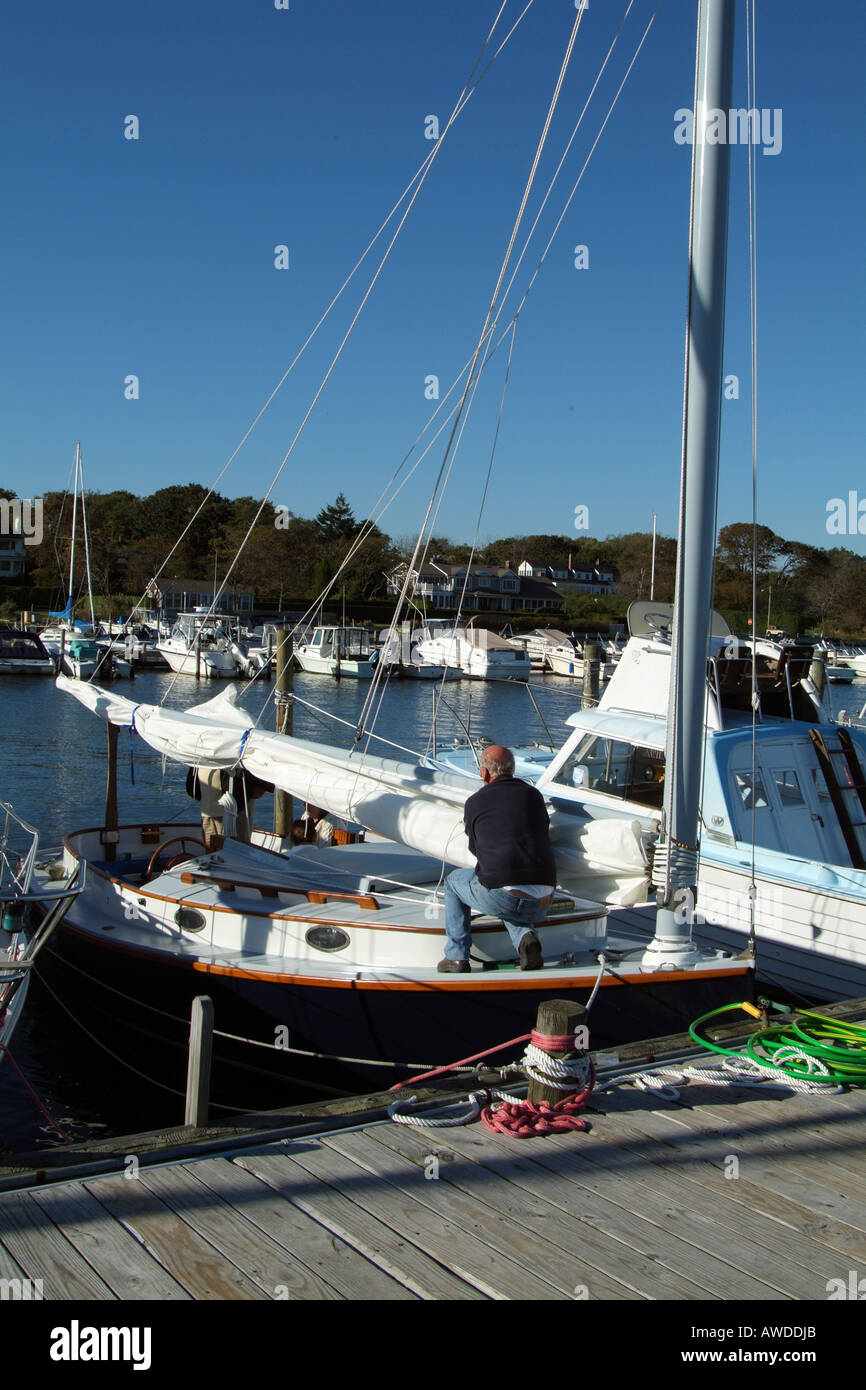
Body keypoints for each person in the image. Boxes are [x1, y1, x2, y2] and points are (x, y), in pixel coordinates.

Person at [439, 745, 556, 973]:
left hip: (506, 897)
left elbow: (476, 848)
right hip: (545, 900)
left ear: (484, 773)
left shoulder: (475, 802)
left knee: (454, 883)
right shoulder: (534, 795)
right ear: (512, 770)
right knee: (510, 895)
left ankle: (456, 956)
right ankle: (525, 937)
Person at [187, 766, 270, 850]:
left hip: (227, 814)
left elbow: (193, 790)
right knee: (227, 854)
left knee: (229, 854)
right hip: (218, 814)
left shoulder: (201, 759)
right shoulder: (200, 759)